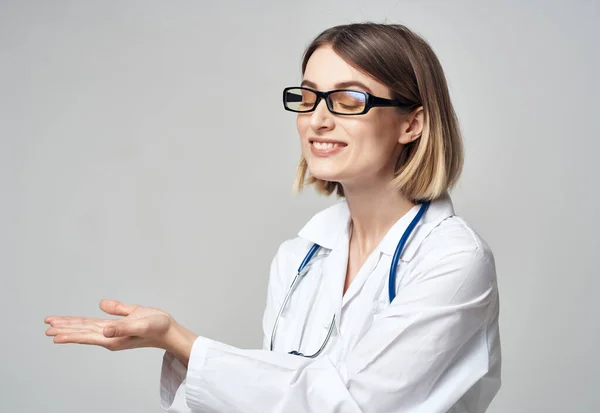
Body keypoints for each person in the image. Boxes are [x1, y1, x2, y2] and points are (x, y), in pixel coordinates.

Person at [44, 22, 501, 413]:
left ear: (411, 123)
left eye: (347, 100)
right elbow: (277, 397)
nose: (317, 120)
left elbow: (353, 406)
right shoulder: (298, 257)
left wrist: (182, 341)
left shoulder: (453, 259)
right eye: (308, 97)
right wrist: (173, 343)